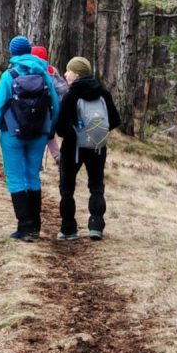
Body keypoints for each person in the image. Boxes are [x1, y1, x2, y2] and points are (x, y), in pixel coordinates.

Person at [0, 35, 60, 241]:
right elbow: (55, 104)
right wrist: (49, 130)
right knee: (33, 176)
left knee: (16, 178)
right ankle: (35, 225)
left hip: (12, 134)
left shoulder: (9, 75)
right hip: (39, 135)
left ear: (12, 52)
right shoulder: (44, 73)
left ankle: (24, 227)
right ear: (29, 50)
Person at [53, 56, 121, 241]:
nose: (65, 74)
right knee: (96, 186)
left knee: (67, 188)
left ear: (77, 73)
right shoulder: (103, 93)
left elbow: (60, 128)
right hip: (98, 146)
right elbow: (114, 120)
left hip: (73, 148)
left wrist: (75, 132)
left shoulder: (71, 94)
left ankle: (68, 229)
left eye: (69, 70)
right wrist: (96, 132)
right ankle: (96, 226)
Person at [31, 45, 68, 164]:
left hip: (39, 110)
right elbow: (63, 89)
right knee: (49, 135)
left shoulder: (35, 71)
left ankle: (38, 161)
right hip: (54, 110)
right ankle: (58, 157)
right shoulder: (52, 70)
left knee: (38, 135)